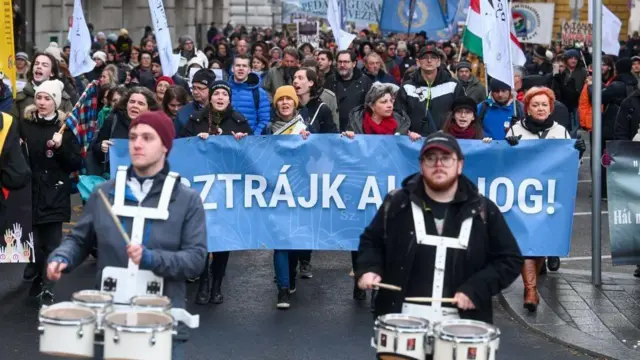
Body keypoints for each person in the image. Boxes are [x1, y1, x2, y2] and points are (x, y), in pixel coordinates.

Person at [47, 111, 208, 360]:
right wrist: (62, 256)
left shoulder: (187, 200)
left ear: (165, 146)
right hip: (109, 324)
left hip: (164, 326)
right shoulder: (104, 193)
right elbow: (79, 239)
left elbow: (195, 260)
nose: (137, 143)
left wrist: (151, 258)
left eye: (147, 137)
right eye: (133, 137)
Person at [357, 131, 523, 325]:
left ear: (459, 165)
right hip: (400, 323)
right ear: (421, 165)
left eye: (446, 158)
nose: (438, 165)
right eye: (430, 158)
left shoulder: (484, 210)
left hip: (464, 326)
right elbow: (372, 242)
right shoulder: (397, 203)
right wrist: (369, 268)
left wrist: (477, 288)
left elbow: (509, 259)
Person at [505, 86, 585, 312]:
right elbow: (505, 165)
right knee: (526, 241)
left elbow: (570, 167)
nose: (540, 108)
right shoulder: (515, 130)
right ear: (527, 109)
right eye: (535, 105)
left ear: (550, 108)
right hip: (522, 195)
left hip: (550, 195)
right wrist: (508, 147)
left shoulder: (560, 131)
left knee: (541, 241)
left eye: (544, 105)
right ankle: (530, 290)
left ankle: (532, 285)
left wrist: (577, 152)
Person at [180, 80, 251, 305]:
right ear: (209, 98)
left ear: (230, 99)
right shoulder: (195, 121)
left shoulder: (240, 121)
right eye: (216, 94)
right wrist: (195, 143)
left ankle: (217, 285)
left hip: (228, 190)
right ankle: (203, 283)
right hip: (201, 188)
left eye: (224, 94)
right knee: (202, 237)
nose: (220, 97)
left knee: (223, 239)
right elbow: (181, 149)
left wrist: (241, 141)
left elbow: (253, 156)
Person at [19, 79, 83, 306]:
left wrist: (60, 147)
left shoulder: (64, 129)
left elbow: (75, 162)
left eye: (47, 98)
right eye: (39, 97)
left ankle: (48, 286)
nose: (42, 102)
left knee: (52, 244)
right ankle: (38, 274)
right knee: (33, 244)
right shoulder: (25, 124)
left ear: (56, 102)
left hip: (55, 193)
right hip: (30, 192)